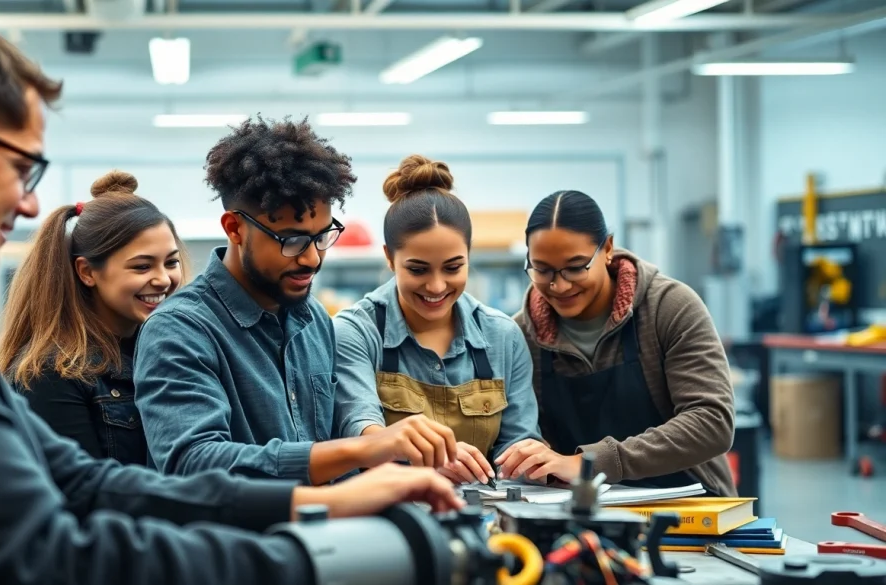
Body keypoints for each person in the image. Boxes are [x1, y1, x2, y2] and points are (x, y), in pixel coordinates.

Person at [0, 5, 464, 584]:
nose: (28, 205)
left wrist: (314, 504)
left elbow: (87, 483)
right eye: (23, 170)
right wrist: (315, 560)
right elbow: (47, 556)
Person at [134, 117, 461, 485]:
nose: (312, 259)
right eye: (291, 240)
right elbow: (193, 462)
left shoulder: (314, 322)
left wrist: (406, 458)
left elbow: (330, 453)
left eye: (322, 236)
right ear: (235, 228)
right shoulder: (178, 330)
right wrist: (360, 449)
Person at [498, 190, 736, 497]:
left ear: (607, 248)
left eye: (575, 266)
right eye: (542, 270)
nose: (559, 285)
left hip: (691, 509)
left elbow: (711, 422)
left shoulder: (669, 308)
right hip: (580, 513)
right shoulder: (521, 337)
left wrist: (590, 463)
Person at [332, 155, 542, 486]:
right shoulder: (356, 332)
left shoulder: (503, 336)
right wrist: (427, 462)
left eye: (453, 267)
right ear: (389, 258)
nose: (437, 286)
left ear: (469, 256)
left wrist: (526, 461)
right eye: (417, 269)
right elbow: (362, 429)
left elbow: (518, 445)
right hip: (388, 512)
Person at [0, 170, 185, 465]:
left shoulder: (170, 352)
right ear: (87, 272)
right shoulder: (53, 372)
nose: (163, 279)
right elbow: (81, 493)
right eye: (142, 267)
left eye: (170, 262)